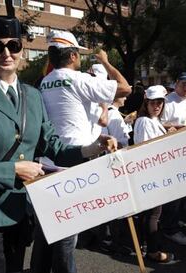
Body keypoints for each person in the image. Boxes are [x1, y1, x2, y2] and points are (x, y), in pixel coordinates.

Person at [0, 16, 117, 273]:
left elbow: (54, 147)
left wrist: (92, 148)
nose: (6, 53)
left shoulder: (32, 96)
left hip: (20, 212)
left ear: (22, 51)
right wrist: (11, 171)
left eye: (13, 46)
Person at [32, 30, 131, 273]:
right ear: (74, 56)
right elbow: (125, 88)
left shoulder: (44, 82)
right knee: (67, 235)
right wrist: (105, 62)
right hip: (76, 162)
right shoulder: (79, 79)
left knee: (47, 230)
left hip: (49, 160)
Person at [133, 85, 175, 263]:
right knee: (153, 214)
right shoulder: (144, 121)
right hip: (150, 174)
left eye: (160, 102)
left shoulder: (152, 120)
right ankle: (152, 251)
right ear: (146, 103)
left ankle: (144, 246)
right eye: (153, 103)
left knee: (149, 214)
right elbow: (146, 148)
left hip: (153, 173)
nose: (157, 106)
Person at [160, 72, 186, 246]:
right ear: (176, 83)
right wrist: (183, 128)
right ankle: (169, 228)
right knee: (173, 193)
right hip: (171, 154)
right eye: (184, 84)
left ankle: (172, 221)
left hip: (185, 152)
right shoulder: (168, 101)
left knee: (182, 191)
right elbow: (160, 124)